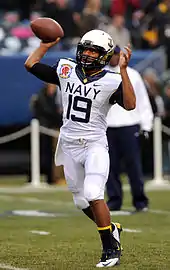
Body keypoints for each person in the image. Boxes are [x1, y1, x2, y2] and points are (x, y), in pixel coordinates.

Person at [24, 29, 136, 267]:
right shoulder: (66, 69)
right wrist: (46, 43)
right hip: (69, 143)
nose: (86, 54)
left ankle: (110, 248)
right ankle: (112, 228)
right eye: (84, 48)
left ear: (104, 55)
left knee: (94, 193)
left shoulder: (112, 80)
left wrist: (124, 72)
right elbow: (31, 64)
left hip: (94, 144)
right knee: (80, 201)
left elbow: (130, 104)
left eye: (93, 51)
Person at [106, 46, 153, 212]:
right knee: (110, 167)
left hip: (129, 124)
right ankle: (114, 199)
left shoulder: (133, 75)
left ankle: (140, 200)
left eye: (116, 55)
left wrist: (146, 126)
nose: (114, 58)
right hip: (107, 126)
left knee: (134, 165)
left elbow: (143, 102)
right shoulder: (102, 74)